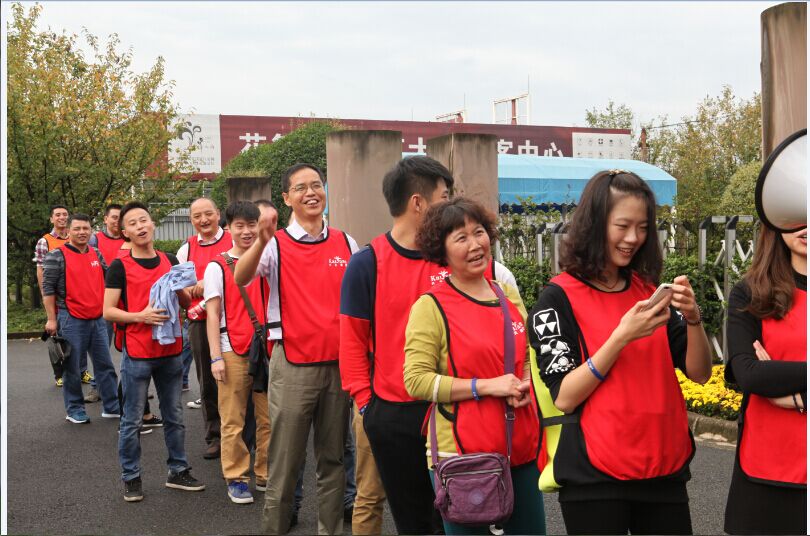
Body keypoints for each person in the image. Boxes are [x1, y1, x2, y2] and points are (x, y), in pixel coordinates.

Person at [340, 156, 518, 535]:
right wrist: (368, 406)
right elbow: (352, 342)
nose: (451, 203)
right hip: (395, 415)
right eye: (445, 195)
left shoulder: (455, 258)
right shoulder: (368, 263)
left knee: (467, 515)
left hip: (459, 407)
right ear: (418, 203)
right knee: (414, 520)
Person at [528, 170, 712, 535]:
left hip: (664, 468)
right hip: (593, 478)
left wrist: (693, 319)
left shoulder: (648, 292)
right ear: (595, 224)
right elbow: (565, 396)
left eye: (642, 228)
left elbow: (700, 373)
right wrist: (621, 337)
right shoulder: (556, 299)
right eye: (623, 226)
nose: (633, 238)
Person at [402, 197, 545, 535]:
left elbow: (527, 355)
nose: (475, 244)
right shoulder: (430, 306)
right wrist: (488, 385)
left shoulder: (506, 294)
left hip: (519, 446)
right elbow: (416, 380)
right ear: (442, 249)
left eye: (478, 232)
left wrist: (525, 383)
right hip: (463, 456)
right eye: (461, 238)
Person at [234, 163, 358, 535]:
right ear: (287, 198)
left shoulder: (346, 242)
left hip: (338, 365)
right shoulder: (275, 244)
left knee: (334, 460)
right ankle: (274, 528)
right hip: (292, 364)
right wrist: (260, 239)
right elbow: (241, 277)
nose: (311, 193)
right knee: (285, 461)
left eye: (316, 185)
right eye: (301, 188)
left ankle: (330, 530)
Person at [103, 201, 204, 502]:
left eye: (144, 220)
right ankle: (131, 477)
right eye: (133, 223)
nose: (140, 226)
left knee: (174, 416)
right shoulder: (120, 267)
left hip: (171, 351)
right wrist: (140, 316)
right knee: (132, 420)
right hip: (137, 353)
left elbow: (184, 301)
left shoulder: (169, 260)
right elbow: (108, 311)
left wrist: (189, 289)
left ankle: (178, 470)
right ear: (125, 232)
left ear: (153, 223)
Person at [723, 224, 806, 535]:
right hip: (764, 469)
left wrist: (798, 397)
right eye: (795, 214)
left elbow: (763, 375)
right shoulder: (750, 293)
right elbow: (749, 375)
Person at [203, 201, 272, 505]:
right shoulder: (217, 266)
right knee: (233, 420)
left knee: (269, 418)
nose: (246, 231)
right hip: (232, 348)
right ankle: (236, 477)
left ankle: (265, 472)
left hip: (266, 350)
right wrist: (216, 357)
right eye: (239, 226)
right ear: (228, 228)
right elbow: (212, 314)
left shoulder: (268, 259)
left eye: (251, 225)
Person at [42, 213, 121, 424]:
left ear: (91, 231)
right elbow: (47, 289)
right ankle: (74, 409)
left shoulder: (96, 253)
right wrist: (51, 319)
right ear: (68, 231)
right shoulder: (56, 256)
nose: (82, 232)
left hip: (98, 318)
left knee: (105, 365)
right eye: (77, 228)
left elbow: (109, 278)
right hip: (70, 318)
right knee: (72, 368)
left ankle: (112, 406)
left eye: (86, 228)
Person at [177, 197, 233, 459]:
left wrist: (206, 283)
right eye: (197, 216)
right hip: (200, 321)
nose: (204, 220)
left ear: (218, 214)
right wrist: (192, 287)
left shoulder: (233, 240)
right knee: (208, 381)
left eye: (208, 213)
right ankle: (215, 436)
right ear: (191, 220)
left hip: (234, 319)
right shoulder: (186, 249)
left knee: (241, 378)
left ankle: (244, 434)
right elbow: (182, 288)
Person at [35, 205, 91, 387]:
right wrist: (46, 296)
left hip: (77, 296)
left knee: (80, 335)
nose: (61, 217)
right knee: (55, 334)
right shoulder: (45, 241)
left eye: (65, 214)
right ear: (51, 219)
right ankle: (59, 373)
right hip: (56, 296)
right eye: (57, 215)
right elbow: (41, 271)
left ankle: (82, 370)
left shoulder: (76, 237)